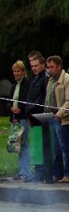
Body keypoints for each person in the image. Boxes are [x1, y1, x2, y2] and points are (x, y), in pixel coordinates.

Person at [24, 51, 49, 183]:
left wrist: (33, 114)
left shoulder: (45, 78)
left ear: (43, 64)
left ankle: (42, 172)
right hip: (33, 117)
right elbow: (30, 98)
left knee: (42, 147)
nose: (34, 68)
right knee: (36, 147)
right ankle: (38, 171)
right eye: (32, 66)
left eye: (36, 65)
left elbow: (43, 99)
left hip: (40, 117)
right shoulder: (35, 78)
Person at [45, 55, 69, 183]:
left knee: (65, 147)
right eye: (48, 67)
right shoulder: (51, 80)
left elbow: (68, 101)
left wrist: (59, 114)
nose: (49, 70)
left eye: (52, 67)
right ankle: (58, 173)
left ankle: (67, 174)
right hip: (52, 117)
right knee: (56, 148)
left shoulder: (66, 79)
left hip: (63, 119)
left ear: (59, 66)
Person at [7, 60, 31, 180]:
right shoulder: (13, 86)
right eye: (14, 71)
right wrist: (11, 108)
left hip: (23, 118)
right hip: (14, 119)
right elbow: (8, 102)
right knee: (16, 146)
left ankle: (26, 171)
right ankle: (22, 170)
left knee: (24, 144)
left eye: (18, 71)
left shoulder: (27, 85)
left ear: (23, 72)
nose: (16, 73)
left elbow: (27, 101)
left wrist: (20, 109)